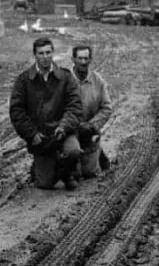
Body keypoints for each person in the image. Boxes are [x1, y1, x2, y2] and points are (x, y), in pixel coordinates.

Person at [10, 37, 83, 190]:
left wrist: (64, 127)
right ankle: (44, 166)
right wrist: (32, 134)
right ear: (35, 55)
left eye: (48, 52)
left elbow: (75, 106)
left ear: (53, 53)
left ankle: (67, 172)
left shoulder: (66, 77)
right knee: (45, 183)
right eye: (41, 53)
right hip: (41, 138)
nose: (45, 57)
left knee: (74, 151)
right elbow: (17, 112)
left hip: (63, 133)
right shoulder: (23, 81)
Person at [70, 45, 113, 179]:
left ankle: (97, 150)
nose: (83, 62)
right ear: (73, 59)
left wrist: (91, 126)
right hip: (69, 131)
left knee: (89, 173)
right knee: (72, 172)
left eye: (86, 58)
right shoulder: (63, 79)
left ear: (90, 60)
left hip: (89, 133)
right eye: (80, 58)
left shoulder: (98, 80)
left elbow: (106, 108)